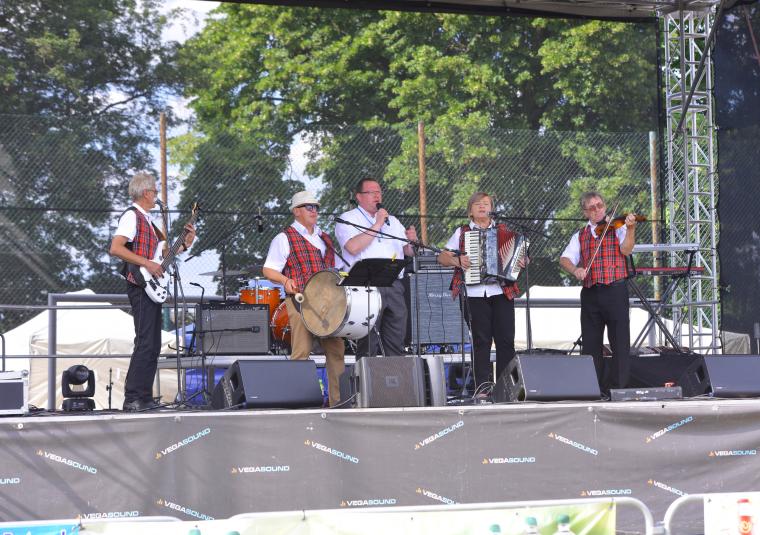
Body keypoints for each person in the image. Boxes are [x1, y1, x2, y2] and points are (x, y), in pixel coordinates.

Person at [109, 172, 196, 412]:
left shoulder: (148, 221)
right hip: (139, 285)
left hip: (150, 286)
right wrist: (147, 263)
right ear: (146, 193)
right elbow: (116, 248)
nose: (157, 196)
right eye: (155, 192)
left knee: (153, 343)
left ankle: (144, 397)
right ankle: (133, 398)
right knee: (145, 341)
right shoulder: (132, 216)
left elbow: (162, 257)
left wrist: (186, 243)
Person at [262, 191, 345, 407]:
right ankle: (298, 404)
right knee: (301, 352)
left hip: (327, 304)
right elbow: (268, 269)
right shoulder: (284, 238)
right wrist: (285, 280)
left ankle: (338, 403)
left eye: (316, 207)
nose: (314, 211)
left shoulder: (324, 237)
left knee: (336, 350)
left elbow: (335, 268)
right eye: (309, 207)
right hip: (300, 301)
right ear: (296, 211)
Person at [437, 191, 524, 391]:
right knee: (481, 340)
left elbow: (520, 257)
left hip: (501, 292)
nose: (482, 206)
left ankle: (505, 388)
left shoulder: (504, 231)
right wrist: (456, 260)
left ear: (492, 209)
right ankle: (482, 388)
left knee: (505, 340)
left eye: (486, 203)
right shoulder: (462, 232)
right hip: (474, 294)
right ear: (470, 211)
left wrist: (522, 261)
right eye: (477, 204)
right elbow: (441, 257)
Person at [559, 191, 638, 394]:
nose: (598, 210)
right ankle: (594, 390)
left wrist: (630, 229)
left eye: (600, 205)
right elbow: (565, 259)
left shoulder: (617, 227)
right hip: (591, 293)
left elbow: (626, 250)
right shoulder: (580, 235)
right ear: (585, 212)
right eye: (592, 207)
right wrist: (575, 270)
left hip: (615, 290)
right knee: (591, 343)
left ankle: (619, 389)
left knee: (619, 340)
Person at [335, 178, 417, 358]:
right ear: (359, 197)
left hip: (393, 284)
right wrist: (378, 224)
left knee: (396, 340)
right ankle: (367, 376)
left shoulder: (392, 221)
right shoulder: (347, 219)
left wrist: (413, 241)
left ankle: (395, 375)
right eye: (371, 192)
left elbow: (408, 251)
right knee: (368, 343)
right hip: (365, 286)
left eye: (379, 192)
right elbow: (353, 247)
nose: (377, 196)